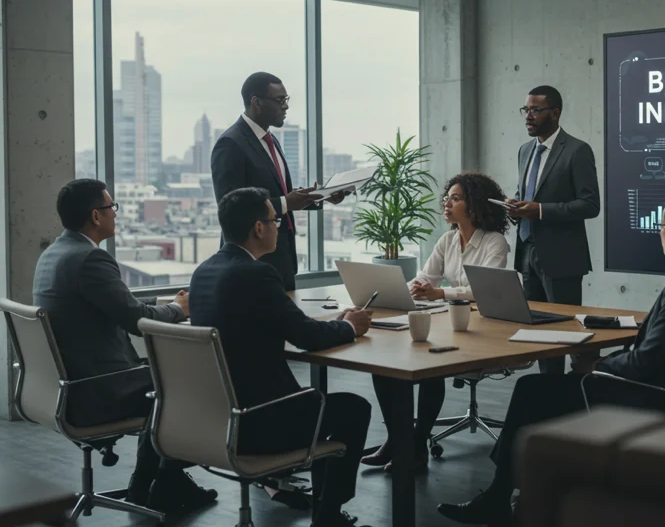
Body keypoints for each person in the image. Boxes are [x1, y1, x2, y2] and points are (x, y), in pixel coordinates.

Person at [437, 195, 665, 525]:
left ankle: (501, 498)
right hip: (658, 389)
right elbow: (656, 352)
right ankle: (516, 495)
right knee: (538, 391)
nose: (659, 233)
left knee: (532, 391)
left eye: (660, 226)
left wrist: (597, 366)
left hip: (640, 394)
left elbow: (647, 361)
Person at [188, 187, 373, 527]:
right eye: (276, 220)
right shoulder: (256, 274)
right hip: (261, 423)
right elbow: (307, 337)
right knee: (354, 408)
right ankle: (328, 515)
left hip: (215, 419)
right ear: (259, 228)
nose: (280, 227)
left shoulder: (204, 272)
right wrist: (349, 327)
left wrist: (334, 324)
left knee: (326, 403)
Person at [32, 179, 217, 514]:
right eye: (111, 207)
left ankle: (164, 480)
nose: (116, 214)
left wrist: (162, 304)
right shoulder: (90, 259)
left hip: (65, 383)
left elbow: (114, 303)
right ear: (95, 216)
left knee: (167, 381)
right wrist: (179, 310)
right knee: (189, 384)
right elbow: (136, 321)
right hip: (96, 388)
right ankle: (149, 484)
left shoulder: (55, 253)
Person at [361, 172, 511, 472]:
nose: (447, 203)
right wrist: (412, 287)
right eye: (447, 198)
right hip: (447, 320)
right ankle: (397, 439)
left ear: (475, 205)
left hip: (483, 327)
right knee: (383, 366)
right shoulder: (447, 240)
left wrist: (440, 291)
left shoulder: (495, 243)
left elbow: (485, 292)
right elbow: (426, 277)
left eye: (455, 198)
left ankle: (415, 446)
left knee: (429, 369)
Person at [211, 72, 348, 291]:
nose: (285, 106)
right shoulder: (230, 144)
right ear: (256, 102)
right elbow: (231, 208)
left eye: (286, 100)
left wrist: (322, 197)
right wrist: (286, 202)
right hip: (251, 266)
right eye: (279, 100)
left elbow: (280, 193)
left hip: (282, 260)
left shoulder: (270, 139)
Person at [507, 85, 600, 373]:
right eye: (526, 110)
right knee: (541, 339)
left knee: (565, 337)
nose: (528, 116)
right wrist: (516, 209)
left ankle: (570, 401)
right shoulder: (525, 151)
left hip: (561, 259)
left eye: (535, 110)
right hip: (527, 255)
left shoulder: (577, 150)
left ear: (555, 112)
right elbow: (530, 192)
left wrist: (541, 210)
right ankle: (550, 399)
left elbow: (590, 205)